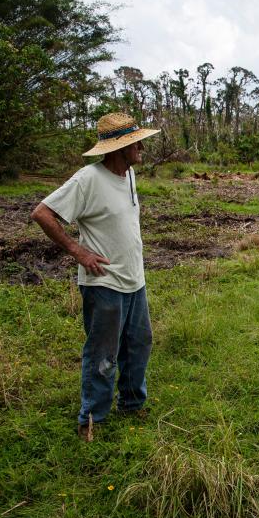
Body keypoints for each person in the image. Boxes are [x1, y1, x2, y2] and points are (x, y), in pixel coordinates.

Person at [30, 112, 159, 441]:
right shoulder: (87, 179)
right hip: (103, 282)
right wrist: (79, 252)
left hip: (134, 280)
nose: (141, 146)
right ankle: (92, 419)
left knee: (139, 344)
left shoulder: (128, 175)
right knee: (102, 353)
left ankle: (132, 404)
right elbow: (42, 213)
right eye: (135, 142)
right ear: (119, 149)